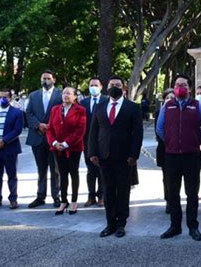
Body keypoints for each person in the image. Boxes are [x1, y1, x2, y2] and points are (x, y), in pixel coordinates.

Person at [156, 74, 201, 241]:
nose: (180, 87)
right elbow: (160, 129)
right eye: (178, 84)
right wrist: (172, 142)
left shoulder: (197, 106)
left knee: (192, 193)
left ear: (189, 88)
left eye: (184, 84)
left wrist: (194, 142)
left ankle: (193, 226)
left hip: (192, 156)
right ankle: (175, 226)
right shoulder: (168, 106)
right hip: (171, 156)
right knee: (173, 193)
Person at [88, 76, 143, 238]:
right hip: (104, 156)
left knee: (123, 190)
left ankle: (121, 223)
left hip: (125, 157)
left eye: (118, 85)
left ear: (123, 88)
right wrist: (92, 152)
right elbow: (93, 132)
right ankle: (110, 223)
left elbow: (137, 134)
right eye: (112, 85)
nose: (115, 87)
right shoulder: (100, 107)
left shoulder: (132, 107)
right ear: (107, 87)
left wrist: (134, 155)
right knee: (108, 190)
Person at [46, 87, 87, 215]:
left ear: (75, 96)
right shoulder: (55, 109)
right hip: (57, 148)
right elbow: (50, 128)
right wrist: (54, 143)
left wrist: (66, 143)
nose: (66, 95)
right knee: (62, 174)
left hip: (73, 147)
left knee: (73, 173)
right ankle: (64, 200)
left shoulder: (80, 110)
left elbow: (80, 130)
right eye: (64, 93)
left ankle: (74, 201)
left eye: (69, 93)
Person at [25, 70, 62, 208]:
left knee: (55, 170)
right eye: (43, 78)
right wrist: (38, 125)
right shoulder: (33, 95)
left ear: (54, 79)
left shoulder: (60, 94)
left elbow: (63, 112)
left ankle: (56, 196)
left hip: (54, 138)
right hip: (38, 137)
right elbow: (28, 113)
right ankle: (40, 196)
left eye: (48, 78)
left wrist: (50, 126)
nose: (45, 81)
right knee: (41, 169)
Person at [80, 77, 108, 207]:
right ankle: (91, 196)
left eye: (96, 85)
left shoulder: (107, 100)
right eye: (91, 85)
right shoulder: (83, 103)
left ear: (101, 87)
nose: (93, 87)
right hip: (87, 141)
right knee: (91, 171)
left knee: (102, 170)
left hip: (102, 141)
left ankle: (101, 195)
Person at [155, 88, 175, 213]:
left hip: (177, 149)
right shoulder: (160, 112)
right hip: (164, 148)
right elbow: (158, 131)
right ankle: (168, 200)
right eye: (167, 98)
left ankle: (175, 199)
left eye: (172, 98)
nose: (169, 100)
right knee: (166, 177)